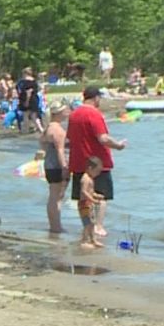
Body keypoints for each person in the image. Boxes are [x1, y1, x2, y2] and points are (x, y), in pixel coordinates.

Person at [68, 86, 126, 237]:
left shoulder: (73, 115)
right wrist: (118, 146)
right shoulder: (94, 114)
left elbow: (70, 139)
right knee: (101, 196)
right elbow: (103, 138)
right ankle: (98, 227)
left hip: (78, 161)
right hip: (97, 164)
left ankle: (86, 227)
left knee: (83, 197)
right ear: (96, 98)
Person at [40, 103, 70, 233]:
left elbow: (43, 146)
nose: (67, 113)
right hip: (57, 165)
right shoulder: (57, 130)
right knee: (56, 197)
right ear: (58, 113)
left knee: (54, 195)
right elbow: (60, 150)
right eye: (65, 111)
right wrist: (64, 166)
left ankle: (54, 225)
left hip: (49, 164)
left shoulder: (47, 129)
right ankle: (56, 227)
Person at [77, 157, 105, 249]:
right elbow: (84, 191)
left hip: (89, 203)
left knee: (92, 223)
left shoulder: (90, 178)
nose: (98, 174)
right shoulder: (85, 178)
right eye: (97, 171)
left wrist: (96, 195)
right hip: (84, 204)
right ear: (90, 168)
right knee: (87, 223)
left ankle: (93, 240)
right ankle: (84, 240)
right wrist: (93, 200)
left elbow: (90, 192)